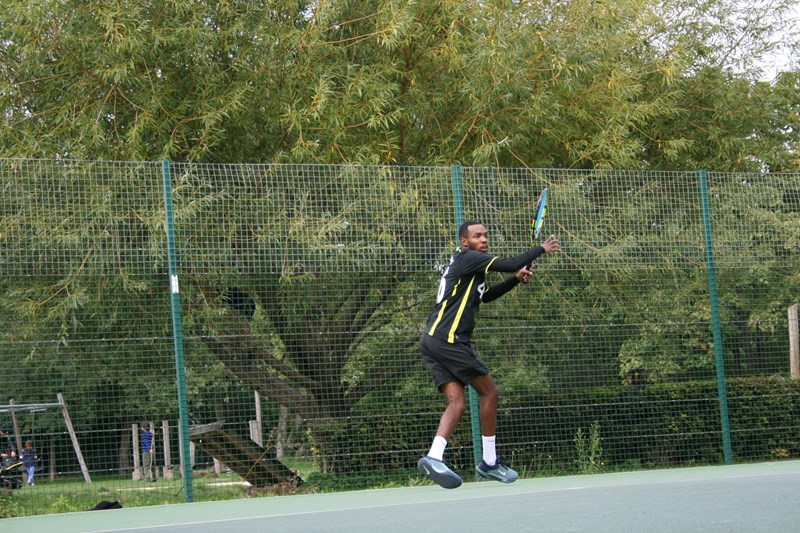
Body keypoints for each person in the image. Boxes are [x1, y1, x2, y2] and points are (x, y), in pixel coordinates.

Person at [417, 220, 560, 489]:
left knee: (457, 402)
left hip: (432, 340)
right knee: (490, 392)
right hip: (448, 340)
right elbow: (510, 261)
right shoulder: (467, 258)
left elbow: (487, 296)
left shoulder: (472, 270)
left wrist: (515, 280)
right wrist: (541, 248)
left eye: (485, 235)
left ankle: (434, 456)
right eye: (477, 236)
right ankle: (490, 461)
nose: (483, 240)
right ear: (464, 242)